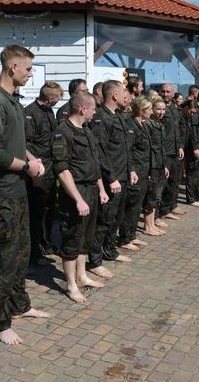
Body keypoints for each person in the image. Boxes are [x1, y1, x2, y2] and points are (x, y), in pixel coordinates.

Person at [0, 45, 49, 345]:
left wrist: (32, 158)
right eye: (28, 69)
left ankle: (20, 306)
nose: (31, 74)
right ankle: (0, 322)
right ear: (13, 69)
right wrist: (26, 167)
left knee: (20, 255)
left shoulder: (13, 101)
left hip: (16, 193)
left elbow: (15, 144)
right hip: (0, 198)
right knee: (2, 261)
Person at [52, 92, 109, 303]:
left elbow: (95, 165)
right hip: (76, 193)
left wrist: (101, 189)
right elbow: (62, 170)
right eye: (93, 108)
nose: (95, 112)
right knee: (72, 238)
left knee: (86, 237)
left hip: (92, 190)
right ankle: (71, 285)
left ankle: (82, 276)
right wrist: (78, 199)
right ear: (83, 109)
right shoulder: (62, 132)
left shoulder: (86, 131)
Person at [88, 80, 133, 279]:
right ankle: (95, 261)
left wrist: (130, 170)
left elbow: (124, 148)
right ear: (114, 96)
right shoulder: (100, 118)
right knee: (103, 220)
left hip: (123, 175)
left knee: (116, 217)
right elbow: (100, 151)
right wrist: (111, 177)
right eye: (123, 92)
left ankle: (110, 250)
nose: (126, 95)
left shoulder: (119, 117)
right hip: (110, 179)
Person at [24, 81, 63, 265]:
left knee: (48, 209)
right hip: (38, 168)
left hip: (50, 168)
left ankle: (46, 244)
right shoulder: (30, 113)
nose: (59, 101)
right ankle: (34, 252)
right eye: (57, 98)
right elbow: (26, 143)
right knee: (36, 213)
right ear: (50, 98)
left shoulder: (50, 112)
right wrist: (35, 171)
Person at [120, 96, 153, 249]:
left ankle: (132, 235)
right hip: (136, 171)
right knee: (131, 205)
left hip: (144, 170)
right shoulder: (131, 126)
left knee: (138, 205)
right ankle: (125, 238)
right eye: (149, 109)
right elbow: (128, 150)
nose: (151, 112)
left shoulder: (143, 125)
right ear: (141, 110)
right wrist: (131, 170)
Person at [158, 83, 185, 221]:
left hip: (175, 150)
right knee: (163, 184)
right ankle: (161, 212)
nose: (165, 94)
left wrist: (180, 146)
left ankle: (170, 207)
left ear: (173, 94)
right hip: (165, 152)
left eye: (168, 92)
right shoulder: (158, 108)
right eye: (163, 91)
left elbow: (177, 130)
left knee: (174, 182)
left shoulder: (174, 109)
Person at [143, 97, 170, 233]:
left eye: (163, 109)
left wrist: (164, 165)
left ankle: (152, 223)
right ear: (152, 109)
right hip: (152, 165)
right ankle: (147, 226)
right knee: (151, 195)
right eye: (158, 109)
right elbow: (148, 148)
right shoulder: (148, 124)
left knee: (156, 195)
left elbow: (161, 147)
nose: (161, 112)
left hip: (159, 164)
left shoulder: (160, 125)